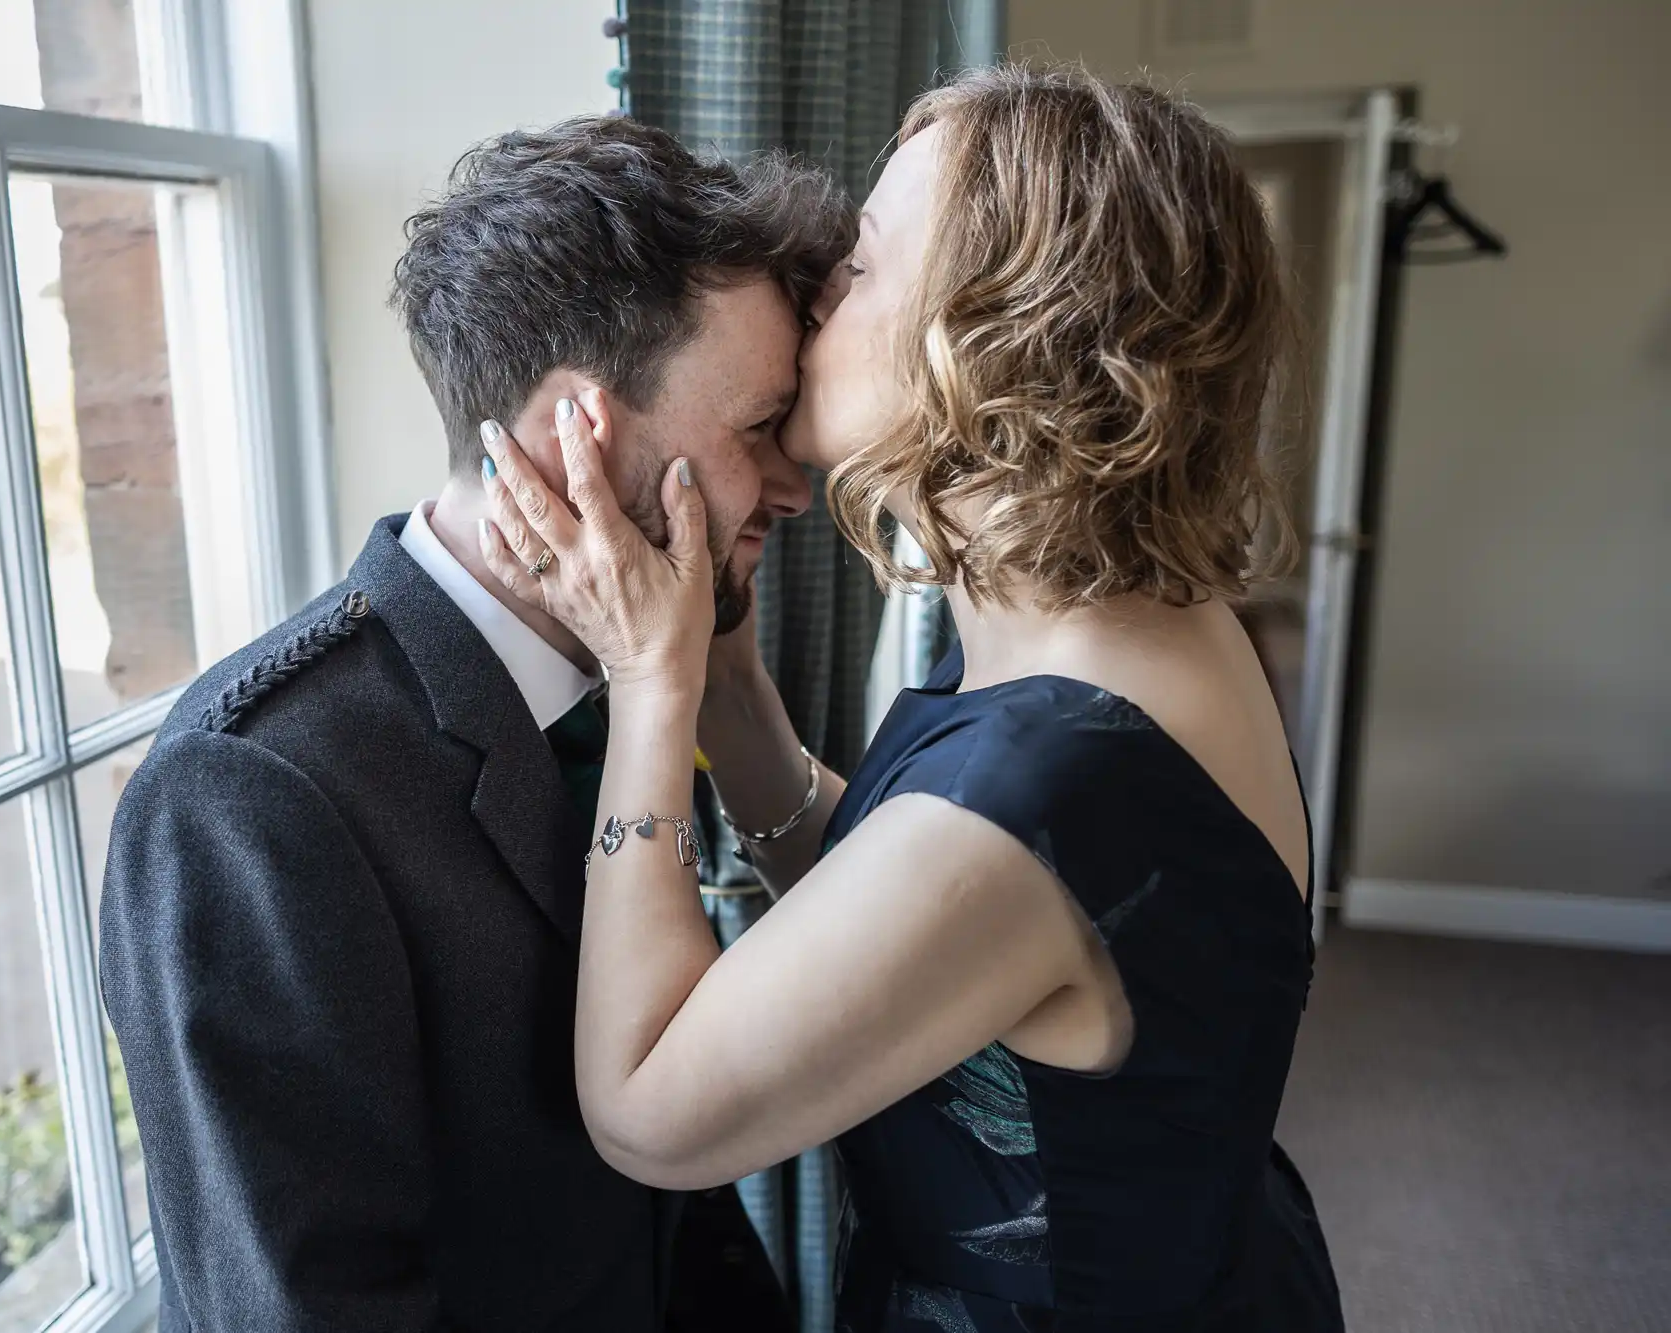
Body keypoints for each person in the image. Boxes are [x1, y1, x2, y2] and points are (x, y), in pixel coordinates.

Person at [475, 64, 1346, 1331]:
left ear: (1004, 329)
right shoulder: (1091, 604)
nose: (818, 292)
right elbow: (916, 901)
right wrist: (729, 689)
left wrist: (650, 688)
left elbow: (646, 1114)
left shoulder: (1064, 766)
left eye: (864, 265)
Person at [98, 114, 852, 1331]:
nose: (791, 485)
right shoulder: (248, 791)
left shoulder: (649, 672)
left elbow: (670, 1213)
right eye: (757, 426)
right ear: (575, 433)